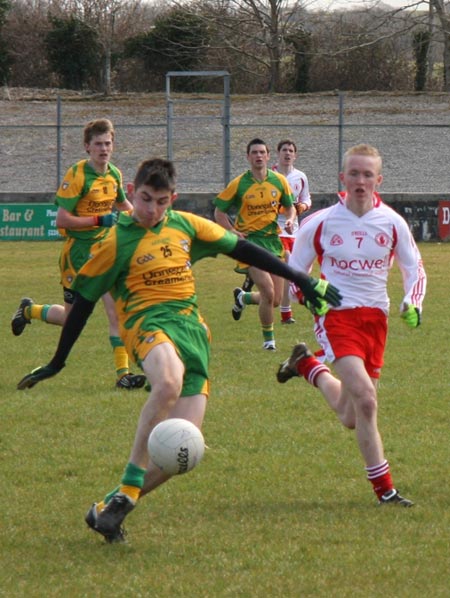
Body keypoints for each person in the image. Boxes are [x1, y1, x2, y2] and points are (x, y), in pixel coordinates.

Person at [16, 158, 342, 543]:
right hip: (146, 324)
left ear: (173, 199)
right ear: (133, 192)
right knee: (167, 384)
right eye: (143, 199)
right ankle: (130, 483)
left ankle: (111, 508)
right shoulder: (116, 242)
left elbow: (246, 249)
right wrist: (57, 361)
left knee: (183, 448)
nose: (150, 210)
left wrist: (304, 279)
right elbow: (83, 304)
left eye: (160, 201)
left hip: (192, 332)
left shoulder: (186, 225)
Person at [276, 143, 426, 506]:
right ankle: (385, 490)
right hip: (336, 316)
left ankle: (307, 365)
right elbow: (293, 270)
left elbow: (414, 268)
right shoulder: (322, 222)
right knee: (367, 400)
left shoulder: (391, 222)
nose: (360, 181)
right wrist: (309, 293)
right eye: (354, 174)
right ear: (343, 178)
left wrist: (413, 301)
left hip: (376, 319)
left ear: (379, 180)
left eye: (367, 174)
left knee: (350, 414)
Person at [11, 118, 145, 390]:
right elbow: (62, 220)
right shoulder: (78, 175)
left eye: (108, 143)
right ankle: (30, 310)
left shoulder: (114, 175)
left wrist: (142, 219)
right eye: (98, 144)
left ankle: (123, 375)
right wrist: (99, 220)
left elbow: (123, 205)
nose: (104, 149)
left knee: (115, 312)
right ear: (87, 147)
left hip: (107, 252)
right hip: (78, 256)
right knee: (71, 320)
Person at [214, 138, 296, 351]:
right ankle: (269, 342)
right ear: (248, 157)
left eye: (262, 152)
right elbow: (219, 211)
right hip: (250, 244)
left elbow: (290, 207)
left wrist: (289, 219)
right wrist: (232, 231)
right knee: (268, 292)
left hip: (272, 242)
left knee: (276, 300)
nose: (258, 156)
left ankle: (244, 297)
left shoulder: (279, 181)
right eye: (254, 153)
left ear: (268, 156)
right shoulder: (239, 183)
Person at [273, 139, 311, 324]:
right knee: (289, 266)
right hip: (274, 231)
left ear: (295, 155)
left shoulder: (300, 177)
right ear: (278, 153)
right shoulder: (269, 176)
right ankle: (287, 314)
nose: (287, 153)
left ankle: (245, 296)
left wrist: (302, 206)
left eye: (290, 151)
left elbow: (307, 198)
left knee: (281, 280)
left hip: (294, 231)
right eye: (284, 150)